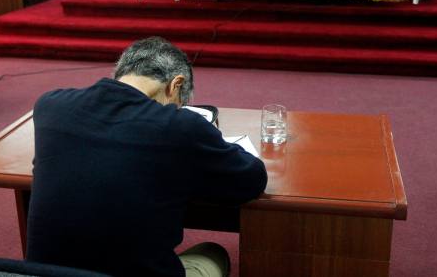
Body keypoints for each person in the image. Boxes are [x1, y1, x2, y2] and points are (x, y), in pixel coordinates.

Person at [26, 37, 267, 277]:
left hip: (45, 274)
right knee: (213, 253)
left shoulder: (50, 106)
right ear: (176, 85)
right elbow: (252, 179)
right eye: (179, 104)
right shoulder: (180, 126)